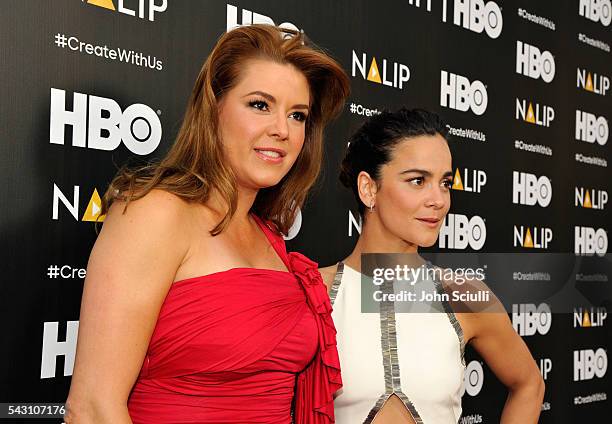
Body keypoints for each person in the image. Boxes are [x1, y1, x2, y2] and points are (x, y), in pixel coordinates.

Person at [65, 24, 350, 424]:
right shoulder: (156, 212)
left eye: (297, 115)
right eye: (259, 105)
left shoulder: (270, 238)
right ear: (214, 106)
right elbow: (92, 408)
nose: (282, 130)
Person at [320, 108, 545, 423]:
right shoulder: (316, 292)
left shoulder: (463, 295)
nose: (438, 200)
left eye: (445, 183)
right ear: (369, 188)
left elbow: (529, 383)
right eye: (417, 180)